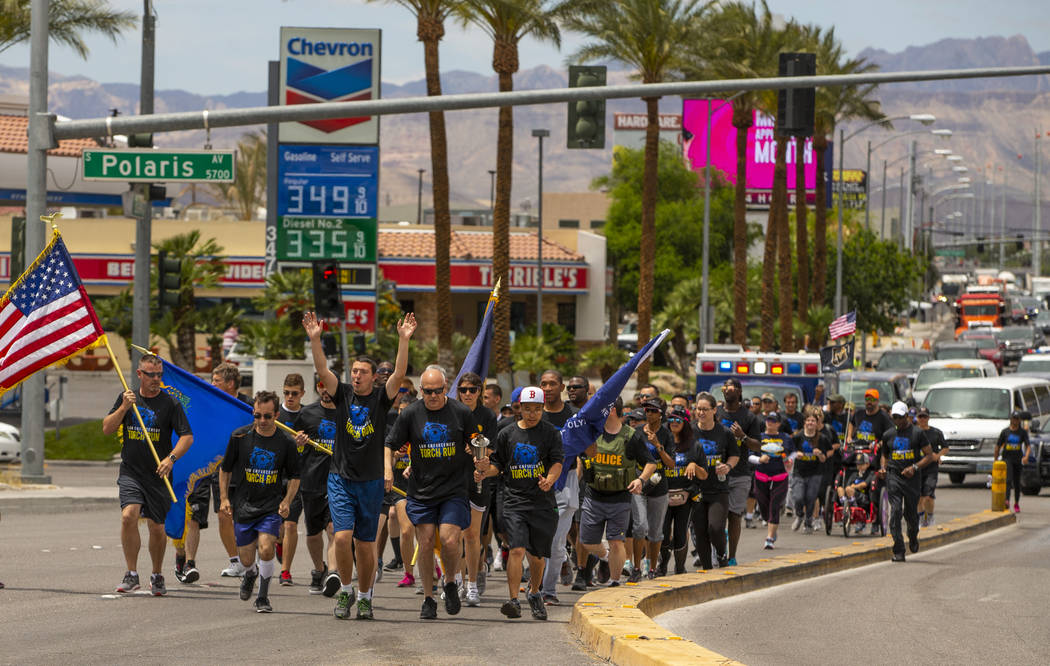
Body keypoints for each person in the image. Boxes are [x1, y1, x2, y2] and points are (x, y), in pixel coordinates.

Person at [303, 310, 415, 621]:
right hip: (340, 478)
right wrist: (315, 339)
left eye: (362, 372)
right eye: (353, 371)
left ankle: (365, 597)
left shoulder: (381, 398)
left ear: (372, 376)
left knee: (366, 547)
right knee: (341, 537)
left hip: (371, 483)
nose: (356, 375)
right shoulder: (342, 394)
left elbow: (400, 372)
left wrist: (403, 340)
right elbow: (322, 369)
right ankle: (346, 591)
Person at [384, 366, 482, 620]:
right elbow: (391, 444)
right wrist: (387, 469)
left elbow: (478, 442)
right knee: (425, 542)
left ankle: (450, 581)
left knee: (450, 541)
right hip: (422, 491)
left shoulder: (461, 412)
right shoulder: (411, 414)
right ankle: (428, 598)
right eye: (427, 392)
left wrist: (479, 457)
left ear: (446, 388)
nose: (433, 396)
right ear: (421, 391)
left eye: (438, 391)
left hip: (453, 489)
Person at [103, 353, 193, 596]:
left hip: (158, 475)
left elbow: (187, 436)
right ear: (139, 374)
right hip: (131, 471)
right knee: (128, 516)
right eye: (151, 374)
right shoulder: (127, 398)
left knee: (156, 527)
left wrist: (170, 458)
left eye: (159, 375)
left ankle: (157, 573)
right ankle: (131, 574)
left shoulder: (170, 403)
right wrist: (124, 407)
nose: (156, 379)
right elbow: (107, 428)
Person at [478, 386, 563, 620]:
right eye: (528, 409)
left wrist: (550, 480)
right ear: (519, 408)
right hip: (514, 500)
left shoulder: (550, 433)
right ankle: (513, 600)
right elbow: (498, 465)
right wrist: (486, 472)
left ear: (542, 408)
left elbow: (557, 462)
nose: (532, 414)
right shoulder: (506, 434)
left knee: (536, 557)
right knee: (516, 549)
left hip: (542, 503)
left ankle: (535, 593)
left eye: (537, 409)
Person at [219, 390, 302, 613]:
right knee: (246, 559)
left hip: (270, 506)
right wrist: (224, 498)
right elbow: (225, 469)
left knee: (266, 550)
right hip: (244, 505)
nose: (262, 421)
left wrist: (287, 501)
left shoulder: (286, 442)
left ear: (276, 415)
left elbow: (295, 476)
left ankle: (263, 597)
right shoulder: (239, 437)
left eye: (267, 416)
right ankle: (251, 573)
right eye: (257, 416)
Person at [579, 397, 657, 587]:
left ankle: (614, 582)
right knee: (587, 542)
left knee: (616, 541)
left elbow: (650, 463)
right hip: (593, 495)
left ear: (611, 410)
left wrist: (640, 479)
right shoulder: (591, 433)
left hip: (620, 498)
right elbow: (580, 459)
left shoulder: (632, 436)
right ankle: (605, 557)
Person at [454, 371, 497, 607]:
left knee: (472, 535)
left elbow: (493, 449)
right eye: (464, 389)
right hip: (452, 480)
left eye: (473, 389)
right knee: (454, 536)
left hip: (478, 481)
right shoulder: (450, 412)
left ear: (480, 392)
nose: (468, 394)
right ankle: (456, 581)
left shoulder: (487, 416)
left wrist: (479, 452)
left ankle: (472, 584)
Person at [296, 379, 339, 596]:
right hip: (312, 481)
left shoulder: (347, 413)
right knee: (313, 533)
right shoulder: (307, 414)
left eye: (328, 386)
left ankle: (333, 572)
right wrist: (299, 443)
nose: (324, 390)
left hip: (338, 481)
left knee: (333, 529)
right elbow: (293, 445)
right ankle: (319, 569)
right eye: (321, 385)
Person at [880, 401, 934, 562]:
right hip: (894, 476)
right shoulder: (888, 435)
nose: (897, 420)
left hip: (912, 479)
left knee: (910, 514)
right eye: (894, 417)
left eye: (900, 417)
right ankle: (898, 550)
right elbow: (884, 454)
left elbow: (929, 455)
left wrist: (915, 468)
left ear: (906, 417)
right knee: (895, 511)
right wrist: (883, 468)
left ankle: (913, 535)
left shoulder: (917, 433)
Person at [692, 392, 740, 569]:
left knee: (715, 528)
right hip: (696, 489)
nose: (701, 413)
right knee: (700, 532)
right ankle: (706, 568)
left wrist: (727, 466)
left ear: (714, 410)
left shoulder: (724, 433)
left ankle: (721, 554)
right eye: (699, 409)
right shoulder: (689, 431)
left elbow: (735, 455)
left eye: (705, 409)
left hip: (718, 488)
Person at [627, 397, 672, 582]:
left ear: (661, 414)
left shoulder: (666, 434)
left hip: (660, 486)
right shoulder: (636, 432)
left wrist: (658, 446)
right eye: (647, 410)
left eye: (653, 411)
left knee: (655, 532)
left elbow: (671, 464)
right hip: (639, 484)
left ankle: (652, 568)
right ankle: (636, 568)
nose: (649, 414)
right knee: (639, 527)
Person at [716, 378, 760, 564]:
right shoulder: (716, 413)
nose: (727, 390)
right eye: (725, 387)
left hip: (740, 472)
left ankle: (731, 556)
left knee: (734, 515)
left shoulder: (749, 417)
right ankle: (717, 551)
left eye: (732, 387)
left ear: (739, 392)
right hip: (717, 471)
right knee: (717, 518)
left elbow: (758, 446)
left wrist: (743, 436)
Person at [658, 405, 703, 575]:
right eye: (671, 419)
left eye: (678, 419)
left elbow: (704, 474)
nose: (674, 423)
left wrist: (694, 465)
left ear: (685, 422)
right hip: (663, 494)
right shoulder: (661, 441)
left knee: (679, 532)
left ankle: (680, 567)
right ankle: (662, 563)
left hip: (685, 495)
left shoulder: (694, 445)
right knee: (662, 532)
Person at [277, 373, 306, 586]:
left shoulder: (308, 415)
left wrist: (303, 444)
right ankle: (280, 545)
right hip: (276, 477)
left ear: (302, 394)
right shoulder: (274, 416)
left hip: (298, 479)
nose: (290, 397)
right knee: (276, 528)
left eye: (294, 394)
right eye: (286, 393)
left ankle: (285, 571)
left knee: (290, 525)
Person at [752, 412, 794, 550]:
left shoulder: (785, 438)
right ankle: (771, 527)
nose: (770, 422)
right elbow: (749, 456)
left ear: (778, 424)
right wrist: (759, 459)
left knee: (774, 507)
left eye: (773, 420)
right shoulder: (758, 437)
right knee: (764, 510)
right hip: (761, 476)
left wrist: (790, 460)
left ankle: (769, 538)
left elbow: (793, 452)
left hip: (780, 476)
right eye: (768, 420)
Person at [791, 410, 831, 534]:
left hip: (815, 472)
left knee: (810, 498)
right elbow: (789, 452)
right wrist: (795, 454)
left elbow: (825, 458)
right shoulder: (798, 437)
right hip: (799, 472)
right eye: (808, 420)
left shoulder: (822, 438)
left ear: (816, 423)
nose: (810, 423)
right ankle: (799, 515)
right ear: (804, 423)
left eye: (813, 421)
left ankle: (808, 521)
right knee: (798, 497)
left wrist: (819, 454)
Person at [915, 406, 948, 526]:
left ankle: (930, 516)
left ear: (928, 418)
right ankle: (920, 518)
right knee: (918, 497)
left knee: (928, 496)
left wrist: (937, 455)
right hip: (917, 467)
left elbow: (945, 447)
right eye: (920, 417)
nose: (922, 419)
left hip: (931, 468)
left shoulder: (936, 433)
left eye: (925, 416)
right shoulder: (914, 432)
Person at [995, 410, 1031, 514]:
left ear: (1019, 420)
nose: (1015, 421)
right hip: (1007, 459)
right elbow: (997, 446)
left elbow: (1028, 446)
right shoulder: (1005, 432)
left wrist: (1026, 456)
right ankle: (1006, 500)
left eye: (1017, 419)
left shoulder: (1022, 432)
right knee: (1008, 479)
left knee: (1017, 483)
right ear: (1011, 419)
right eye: (1014, 418)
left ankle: (1016, 503)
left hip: (1017, 459)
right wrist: (995, 460)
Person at [839, 453, 874, 534]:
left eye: (861, 464)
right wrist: (852, 487)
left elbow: (864, 484)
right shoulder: (854, 474)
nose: (859, 466)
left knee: (849, 489)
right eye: (858, 464)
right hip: (851, 495)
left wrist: (854, 486)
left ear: (867, 464)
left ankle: (854, 509)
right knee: (840, 489)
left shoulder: (870, 474)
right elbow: (848, 485)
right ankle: (845, 507)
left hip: (864, 498)